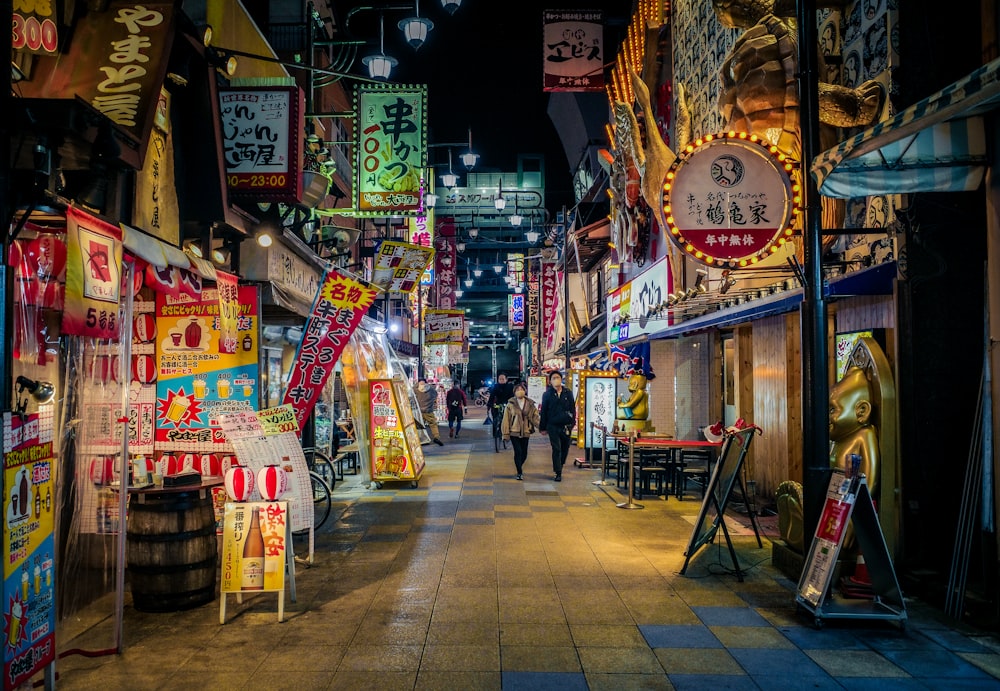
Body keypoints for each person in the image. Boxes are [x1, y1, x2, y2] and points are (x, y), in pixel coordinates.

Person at [539, 371, 576, 482]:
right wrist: (543, 427)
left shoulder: (568, 392)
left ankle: (560, 464)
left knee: (565, 448)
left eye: (558, 377)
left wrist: (572, 422)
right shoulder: (547, 394)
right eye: (554, 378)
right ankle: (558, 472)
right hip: (553, 425)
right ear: (550, 381)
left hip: (566, 425)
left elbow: (572, 408)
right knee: (557, 448)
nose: (556, 379)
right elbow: (544, 411)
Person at [501, 383, 540, 480]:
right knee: (518, 451)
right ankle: (519, 472)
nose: (520, 391)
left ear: (525, 390)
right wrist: (505, 434)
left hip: (526, 431)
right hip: (514, 431)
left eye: (521, 389)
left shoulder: (530, 404)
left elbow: (535, 417)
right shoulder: (510, 404)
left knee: (524, 453)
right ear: (514, 392)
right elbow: (506, 419)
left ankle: (519, 465)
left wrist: (542, 427)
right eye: (517, 389)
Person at [415, 379, 444, 446]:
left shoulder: (416, 390)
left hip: (420, 411)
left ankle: (420, 439)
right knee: (433, 424)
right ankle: (436, 437)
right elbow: (435, 395)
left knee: (419, 426)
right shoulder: (431, 390)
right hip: (429, 411)